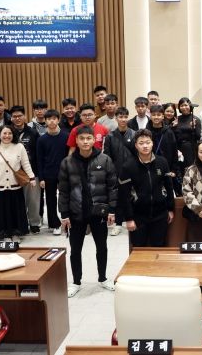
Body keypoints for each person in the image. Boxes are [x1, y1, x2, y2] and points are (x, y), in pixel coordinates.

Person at [58, 125, 117, 297]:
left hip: (99, 211)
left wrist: (112, 210)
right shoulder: (67, 162)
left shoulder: (105, 160)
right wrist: (64, 214)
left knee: (102, 247)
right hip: (76, 212)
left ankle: (103, 278)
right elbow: (63, 191)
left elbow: (112, 187)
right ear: (76, 141)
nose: (85, 142)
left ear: (94, 140)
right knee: (75, 249)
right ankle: (76, 282)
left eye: (88, 138)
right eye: (81, 138)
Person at [120, 129, 176, 247]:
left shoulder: (162, 162)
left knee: (159, 247)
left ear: (152, 143)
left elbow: (169, 187)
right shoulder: (128, 166)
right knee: (139, 249)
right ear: (136, 145)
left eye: (148, 142)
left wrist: (170, 209)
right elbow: (124, 195)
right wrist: (129, 218)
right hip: (138, 215)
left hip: (160, 214)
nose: (145, 146)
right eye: (141, 143)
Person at [0, 124, 35, 242]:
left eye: (10, 133)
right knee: (1, 213)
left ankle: (16, 233)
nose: (7, 136)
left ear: (13, 135)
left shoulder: (19, 147)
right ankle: (4, 234)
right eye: (4, 133)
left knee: (15, 211)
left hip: (15, 187)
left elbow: (26, 164)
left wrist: (32, 178)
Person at [102, 106, 136, 235]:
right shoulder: (110, 136)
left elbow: (137, 155)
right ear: (116, 118)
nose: (123, 119)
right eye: (120, 117)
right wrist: (110, 172)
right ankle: (118, 224)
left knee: (133, 197)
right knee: (118, 198)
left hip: (132, 172)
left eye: (125, 117)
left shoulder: (134, 134)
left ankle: (134, 220)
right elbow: (107, 156)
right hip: (116, 172)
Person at [36, 109, 69, 235]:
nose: (52, 121)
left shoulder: (66, 136)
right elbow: (39, 160)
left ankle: (67, 221)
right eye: (49, 119)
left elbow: (69, 156)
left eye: (54, 119)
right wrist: (41, 178)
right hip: (48, 173)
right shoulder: (42, 139)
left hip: (64, 173)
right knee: (50, 200)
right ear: (45, 121)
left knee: (66, 198)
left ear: (58, 120)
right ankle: (54, 224)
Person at [10, 105, 41, 234]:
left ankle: (34, 223)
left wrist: (37, 174)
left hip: (31, 171)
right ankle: (19, 224)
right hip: (13, 172)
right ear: (11, 118)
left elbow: (38, 154)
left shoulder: (33, 133)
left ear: (25, 117)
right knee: (16, 201)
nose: (17, 118)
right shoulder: (8, 132)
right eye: (15, 116)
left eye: (20, 116)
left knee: (33, 200)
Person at [147, 104, 179, 187]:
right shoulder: (146, 132)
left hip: (167, 167)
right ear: (150, 116)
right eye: (153, 115)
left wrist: (174, 170)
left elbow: (174, 152)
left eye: (158, 115)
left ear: (162, 116)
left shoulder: (169, 132)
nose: (156, 117)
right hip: (150, 167)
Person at [173, 97, 201, 173]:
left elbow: (198, 136)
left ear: (190, 106)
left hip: (190, 148)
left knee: (190, 169)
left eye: (186, 105)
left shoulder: (195, 119)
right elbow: (174, 134)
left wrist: (193, 128)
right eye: (182, 105)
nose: (184, 107)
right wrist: (173, 127)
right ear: (179, 107)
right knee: (180, 168)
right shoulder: (177, 119)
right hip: (178, 147)